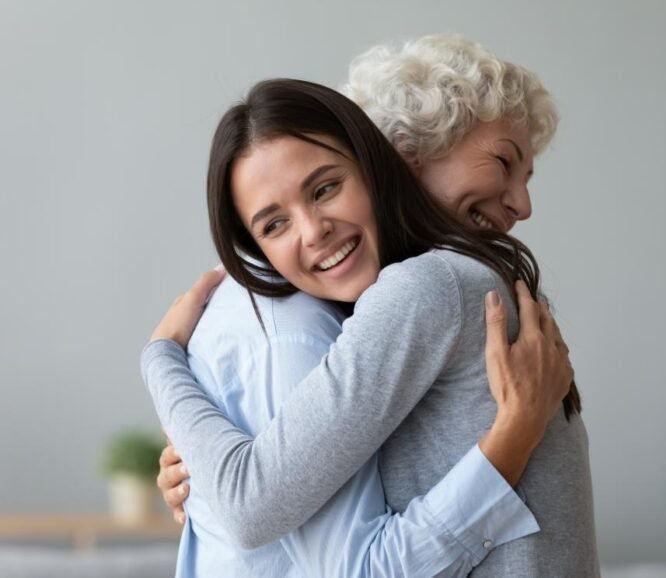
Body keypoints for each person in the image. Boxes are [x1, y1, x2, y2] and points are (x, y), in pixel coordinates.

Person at [146, 36, 598, 577]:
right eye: (503, 162)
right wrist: (199, 472)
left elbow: (251, 503)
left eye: (326, 188)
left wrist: (159, 360)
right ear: (407, 150)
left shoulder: (432, 286)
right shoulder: (455, 284)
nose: (522, 204)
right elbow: (259, 492)